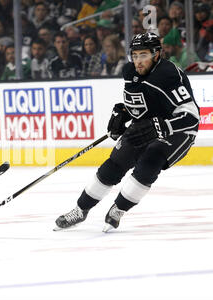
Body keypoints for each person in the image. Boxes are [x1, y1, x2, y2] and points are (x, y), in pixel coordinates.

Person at [54, 32, 200, 232]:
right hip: (147, 124)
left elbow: (192, 117)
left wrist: (163, 126)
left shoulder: (169, 74)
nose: (138, 61)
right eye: (135, 55)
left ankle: (118, 209)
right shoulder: (130, 71)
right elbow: (142, 102)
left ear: (157, 54)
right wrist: (122, 113)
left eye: (144, 55)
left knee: (149, 165)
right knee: (113, 165)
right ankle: (80, 210)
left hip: (177, 132)